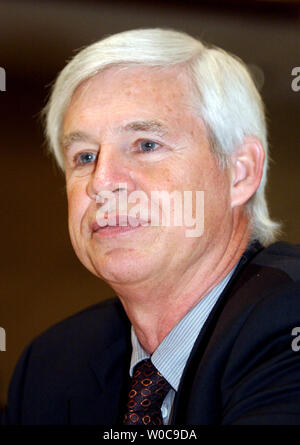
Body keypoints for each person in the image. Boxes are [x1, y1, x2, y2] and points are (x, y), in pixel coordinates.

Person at [1, 28, 300, 425]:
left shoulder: (288, 322)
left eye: (146, 145)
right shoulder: (53, 364)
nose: (101, 182)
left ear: (240, 173)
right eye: (85, 156)